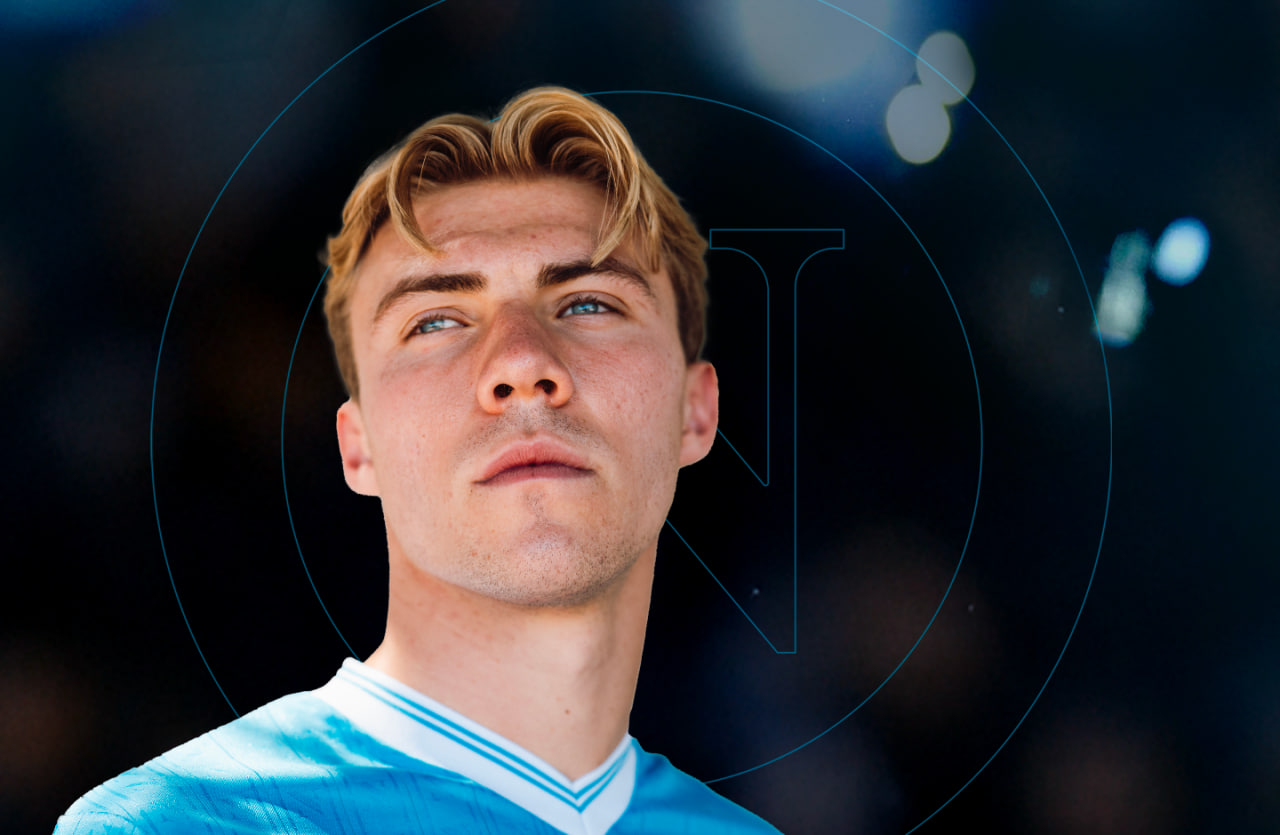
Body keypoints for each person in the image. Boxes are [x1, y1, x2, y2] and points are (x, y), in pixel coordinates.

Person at [55, 87, 781, 834]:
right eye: (437, 320)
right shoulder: (174, 823)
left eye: (589, 303)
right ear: (357, 442)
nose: (522, 362)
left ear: (696, 411)